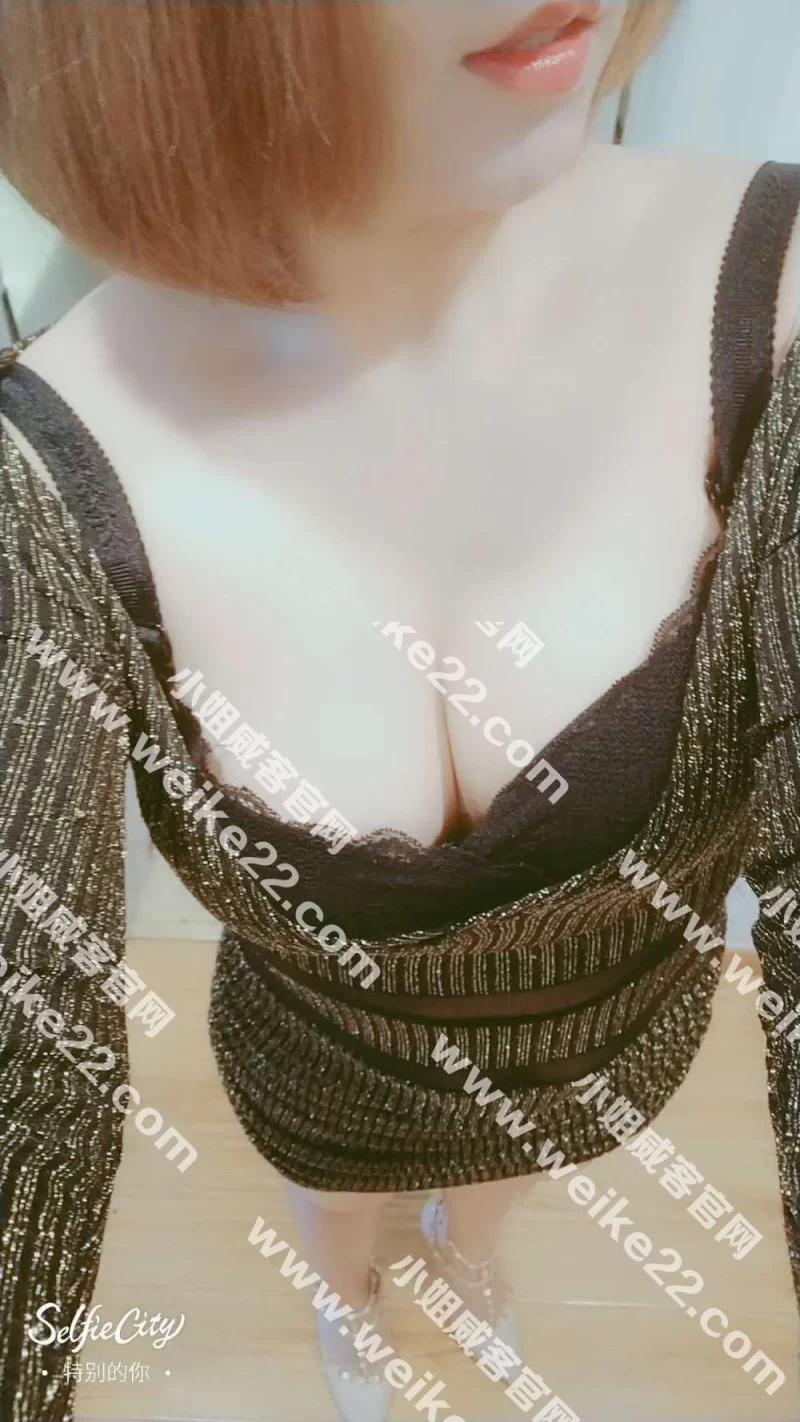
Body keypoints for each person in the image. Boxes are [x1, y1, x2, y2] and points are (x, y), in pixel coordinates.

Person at [2, 1, 800, 1418]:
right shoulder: (41, 486)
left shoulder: (775, 309)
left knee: (498, 1188)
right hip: (321, 1067)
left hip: (600, 1053)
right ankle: (344, 1301)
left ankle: (467, 1257)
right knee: (334, 1205)